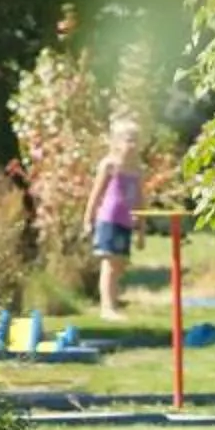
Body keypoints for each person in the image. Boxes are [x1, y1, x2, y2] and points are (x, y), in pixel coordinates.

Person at [81, 117, 144, 320]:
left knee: (119, 265)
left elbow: (141, 201)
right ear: (116, 142)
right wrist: (88, 219)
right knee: (108, 263)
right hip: (108, 219)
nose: (132, 145)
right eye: (128, 139)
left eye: (136, 140)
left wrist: (141, 230)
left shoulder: (137, 170)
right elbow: (96, 194)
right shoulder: (109, 165)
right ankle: (106, 308)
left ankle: (113, 305)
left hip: (126, 222)